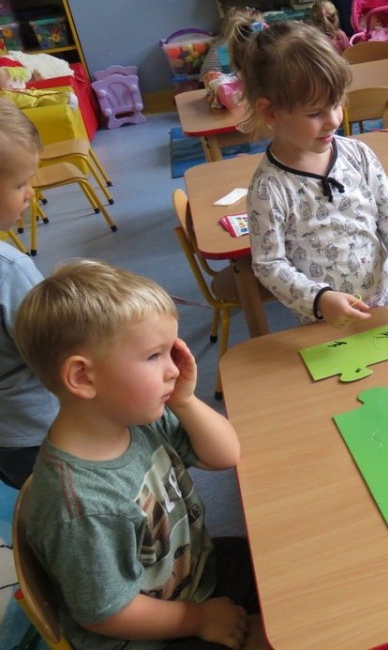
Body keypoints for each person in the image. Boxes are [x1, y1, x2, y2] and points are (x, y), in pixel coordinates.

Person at [13, 259, 259, 650]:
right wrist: (199, 619)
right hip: (148, 635)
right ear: (83, 377)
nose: (173, 369)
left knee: (279, 563)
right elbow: (108, 612)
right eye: (154, 356)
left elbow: (226, 455)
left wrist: (185, 402)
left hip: (192, 572)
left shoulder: (135, 417)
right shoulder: (82, 507)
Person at [228, 19, 388, 327]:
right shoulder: (268, 189)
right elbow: (269, 264)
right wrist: (320, 299)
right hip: (328, 319)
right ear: (270, 112)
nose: (334, 120)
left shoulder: (358, 154)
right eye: (315, 113)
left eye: (337, 104)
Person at [0, 98, 58, 489]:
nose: (30, 193)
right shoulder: (10, 270)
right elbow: (56, 345)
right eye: (20, 184)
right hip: (39, 431)